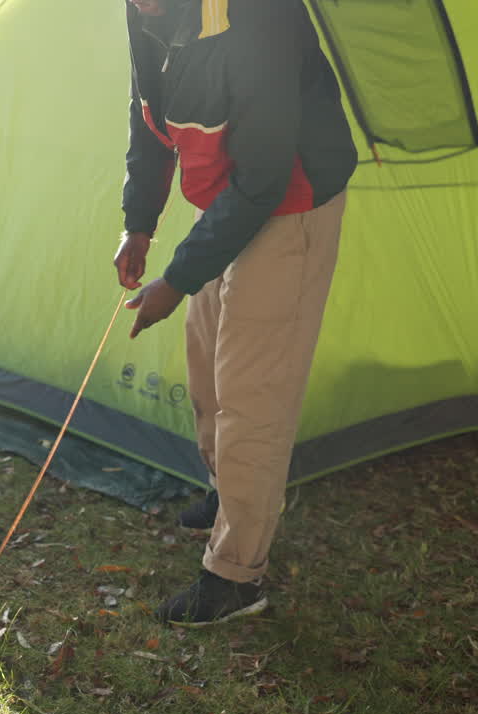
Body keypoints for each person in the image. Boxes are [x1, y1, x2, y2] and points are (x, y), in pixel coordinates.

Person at [114, 0, 356, 625]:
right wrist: (140, 222)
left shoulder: (259, 15)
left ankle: (236, 577)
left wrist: (177, 278)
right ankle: (230, 493)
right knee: (208, 365)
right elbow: (148, 115)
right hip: (228, 197)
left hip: (288, 200)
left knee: (253, 393)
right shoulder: (144, 12)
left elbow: (266, 177)